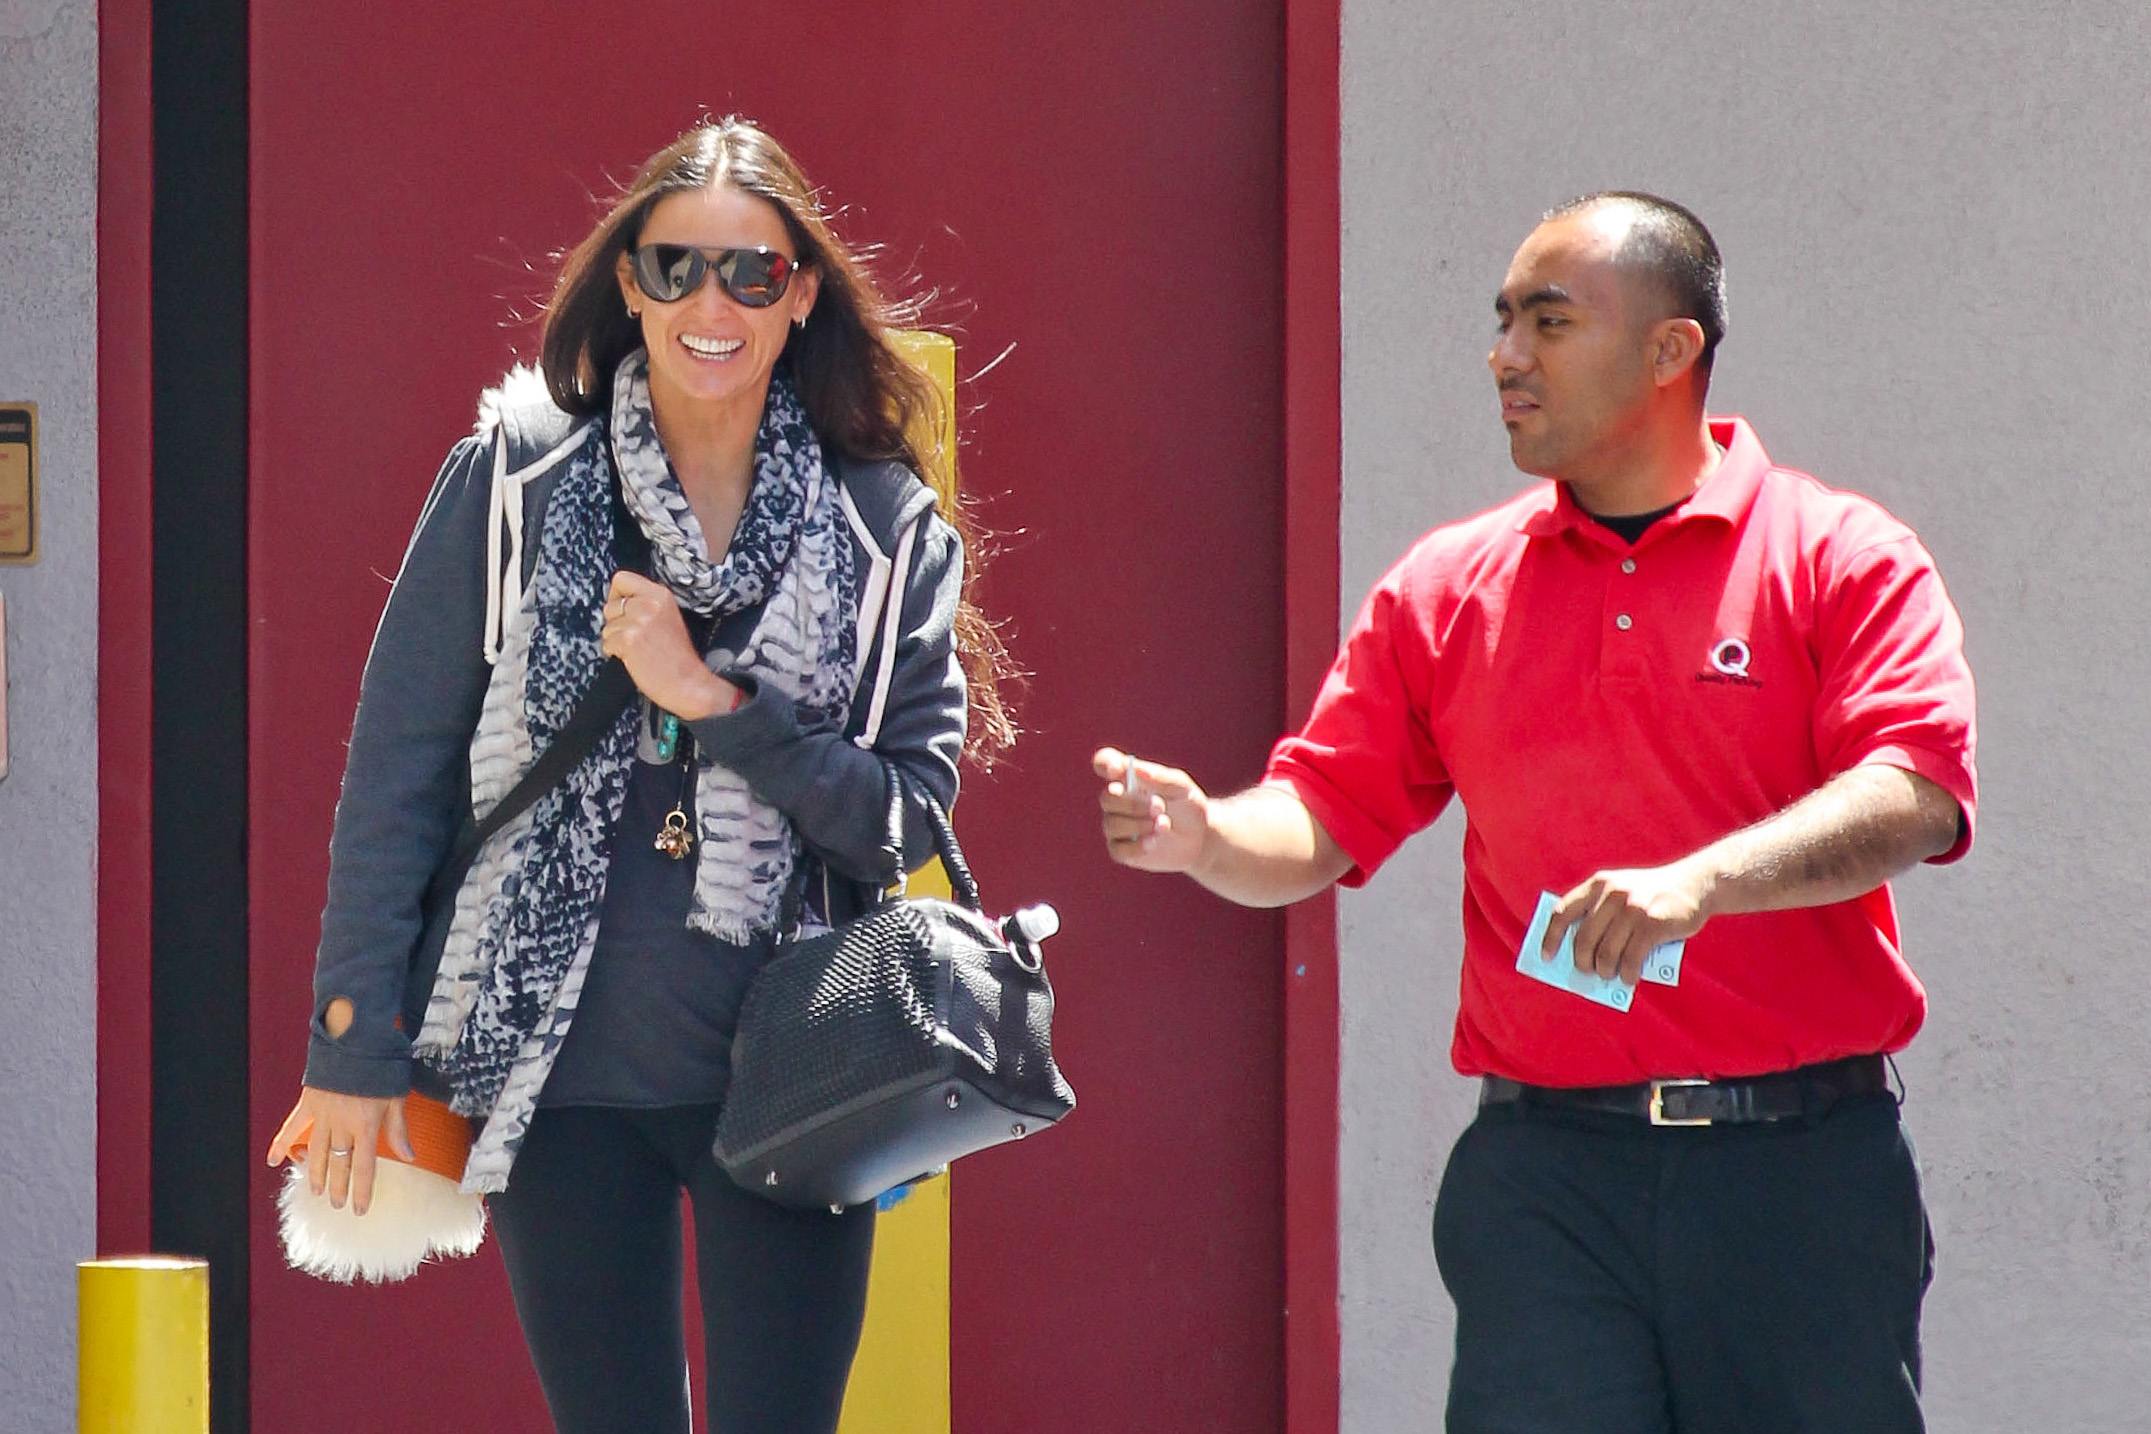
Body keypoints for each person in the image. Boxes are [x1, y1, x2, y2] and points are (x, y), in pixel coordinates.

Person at [1095, 192, 1974, 1432]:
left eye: (1549, 323)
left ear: (1671, 350)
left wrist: (1702, 883)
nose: (1506, 355)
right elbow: (1322, 816)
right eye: (1504, 321)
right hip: (1547, 1181)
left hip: (1797, 1174)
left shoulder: (1839, 554)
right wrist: (1208, 837)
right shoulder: (1451, 587)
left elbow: (1914, 794)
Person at [265, 116, 1014, 1434]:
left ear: (799, 295)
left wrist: (715, 704)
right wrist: (351, 1040)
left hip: (796, 1075)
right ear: (629, 284)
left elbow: (900, 821)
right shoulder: (516, 481)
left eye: (749, 273)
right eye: (675, 268)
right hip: (559, 1081)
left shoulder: (881, 527)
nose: (709, 306)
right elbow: (397, 776)